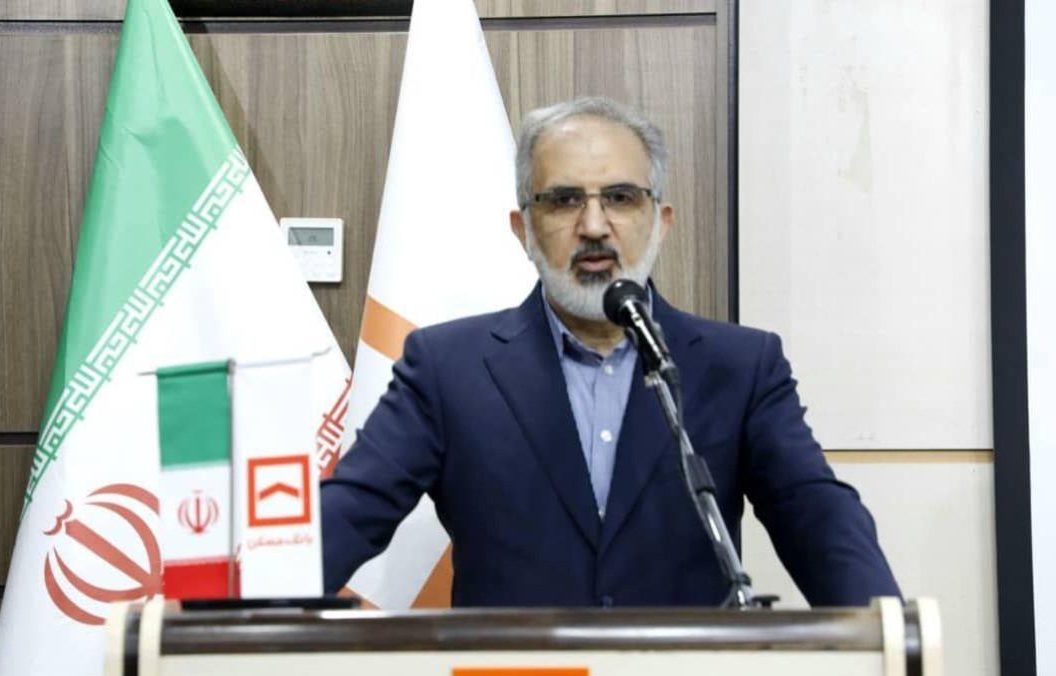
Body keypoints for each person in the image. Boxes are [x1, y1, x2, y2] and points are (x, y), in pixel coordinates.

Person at [321, 97, 900, 607]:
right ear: (524, 229)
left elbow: (818, 518)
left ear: (660, 222)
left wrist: (891, 636)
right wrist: (267, 603)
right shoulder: (447, 368)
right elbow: (351, 510)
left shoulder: (741, 368)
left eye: (621, 198)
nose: (594, 225)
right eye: (564, 200)